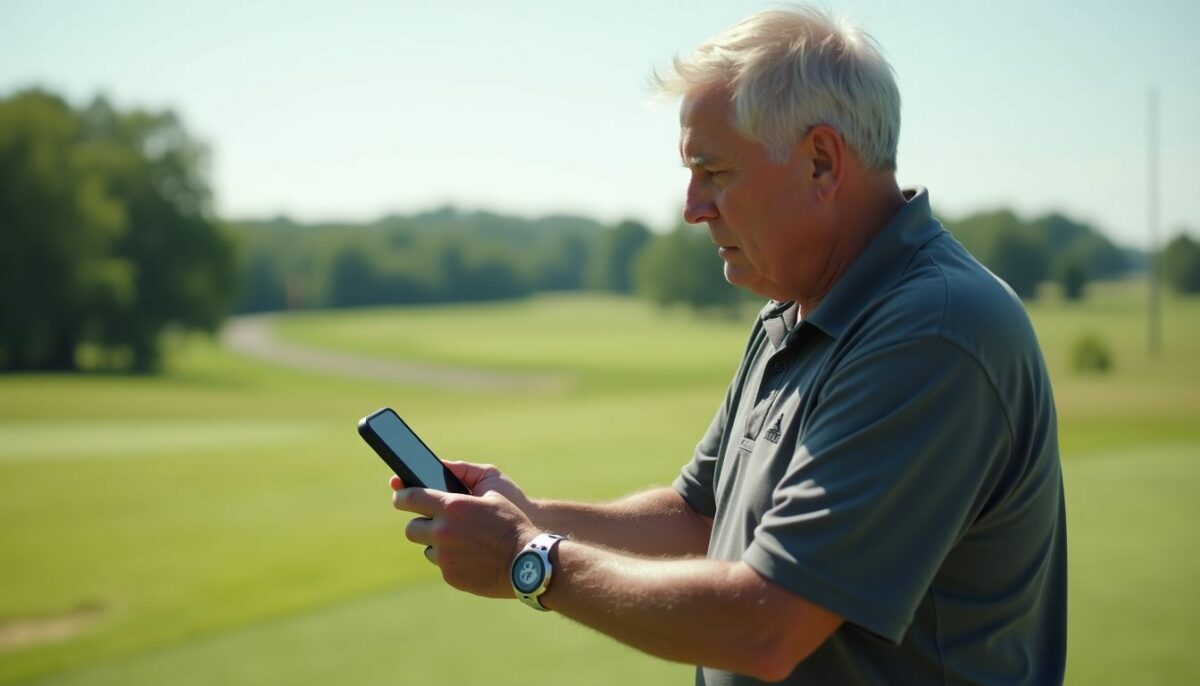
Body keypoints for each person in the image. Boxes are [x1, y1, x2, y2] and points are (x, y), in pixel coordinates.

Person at [391, 5, 1067, 684]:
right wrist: (529, 515)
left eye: (714, 172)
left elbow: (765, 627)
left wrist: (527, 558)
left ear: (822, 162)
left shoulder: (933, 333)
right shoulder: (794, 306)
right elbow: (698, 517)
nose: (691, 207)